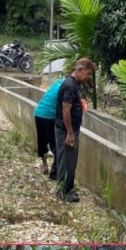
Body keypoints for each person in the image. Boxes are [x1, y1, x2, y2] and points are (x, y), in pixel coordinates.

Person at [54, 58, 96, 203]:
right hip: (66, 130)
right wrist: (70, 133)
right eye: (88, 73)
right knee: (67, 161)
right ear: (79, 70)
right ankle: (64, 191)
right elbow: (66, 110)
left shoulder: (75, 84)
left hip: (70, 129)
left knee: (70, 160)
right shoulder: (70, 85)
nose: (88, 77)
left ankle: (67, 188)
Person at [34, 77, 64, 179]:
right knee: (55, 144)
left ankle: (45, 165)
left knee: (42, 140)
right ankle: (55, 173)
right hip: (49, 116)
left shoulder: (58, 82)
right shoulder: (68, 87)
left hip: (39, 112)